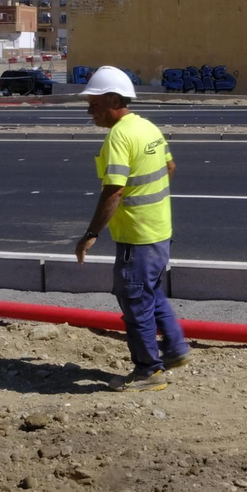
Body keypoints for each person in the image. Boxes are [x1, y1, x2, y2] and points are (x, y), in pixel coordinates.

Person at [75, 65, 191, 391]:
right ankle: (176, 349)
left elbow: (114, 191)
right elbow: (169, 166)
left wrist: (91, 235)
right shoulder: (147, 127)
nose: (89, 110)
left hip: (136, 238)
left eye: (94, 103)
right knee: (150, 292)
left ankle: (148, 372)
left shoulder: (119, 137)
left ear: (113, 99)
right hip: (159, 230)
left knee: (135, 301)